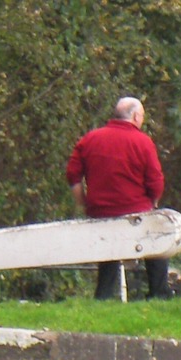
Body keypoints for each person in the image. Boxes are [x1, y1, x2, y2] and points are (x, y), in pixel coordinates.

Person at [65, 96, 173, 300]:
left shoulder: (90, 139)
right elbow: (155, 181)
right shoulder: (142, 142)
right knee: (158, 236)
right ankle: (158, 293)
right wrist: (153, 202)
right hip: (135, 212)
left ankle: (103, 294)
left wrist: (83, 202)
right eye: (141, 116)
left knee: (109, 248)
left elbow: (73, 175)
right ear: (134, 116)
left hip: (100, 212)